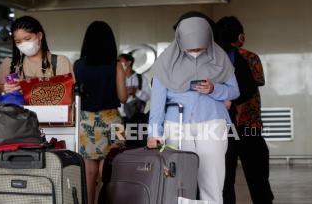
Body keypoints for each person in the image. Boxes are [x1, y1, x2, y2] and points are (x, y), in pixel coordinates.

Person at [147, 13, 240, 204]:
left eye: (200, 47)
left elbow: (234, 91)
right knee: (179, 183)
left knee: (212, 182)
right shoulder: (165, 61)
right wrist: (154, 133)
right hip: (177, 124)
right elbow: (157, 102)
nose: (196, 51)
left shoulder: (220, 57)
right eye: (191, 48)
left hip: (213, 123)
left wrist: (214, 89)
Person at [217, 16, 274, 204]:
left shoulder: (213, 59)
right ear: (240, 36)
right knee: (258, 178)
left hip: (222, 129)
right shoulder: (249, 57)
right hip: (250, 126)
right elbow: (258, 81)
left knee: (225, 180)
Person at [74, 21, 127, 204]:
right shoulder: (116, 65)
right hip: (112, 120)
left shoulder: (78, 66)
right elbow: (123, 97)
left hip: (86, 121)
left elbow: (75, 97)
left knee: (89, 172)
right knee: (109, 171)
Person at [0, 15, 73, 93]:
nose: (23, 44)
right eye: (18, 42)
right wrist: (5, 88)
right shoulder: (10, 62)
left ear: (39, 36)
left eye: (27, 39)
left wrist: (27, 86)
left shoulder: (60, 62)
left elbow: (67, 92)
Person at [117, 53, 151, 146]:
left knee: (137, 146)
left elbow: (148, 96)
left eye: (120, 61)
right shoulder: (115, 78)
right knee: (118, 145)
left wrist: (136, 91)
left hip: (137, 119)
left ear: (128, 63)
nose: (118, 63)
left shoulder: (141, 78)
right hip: (118, 119)